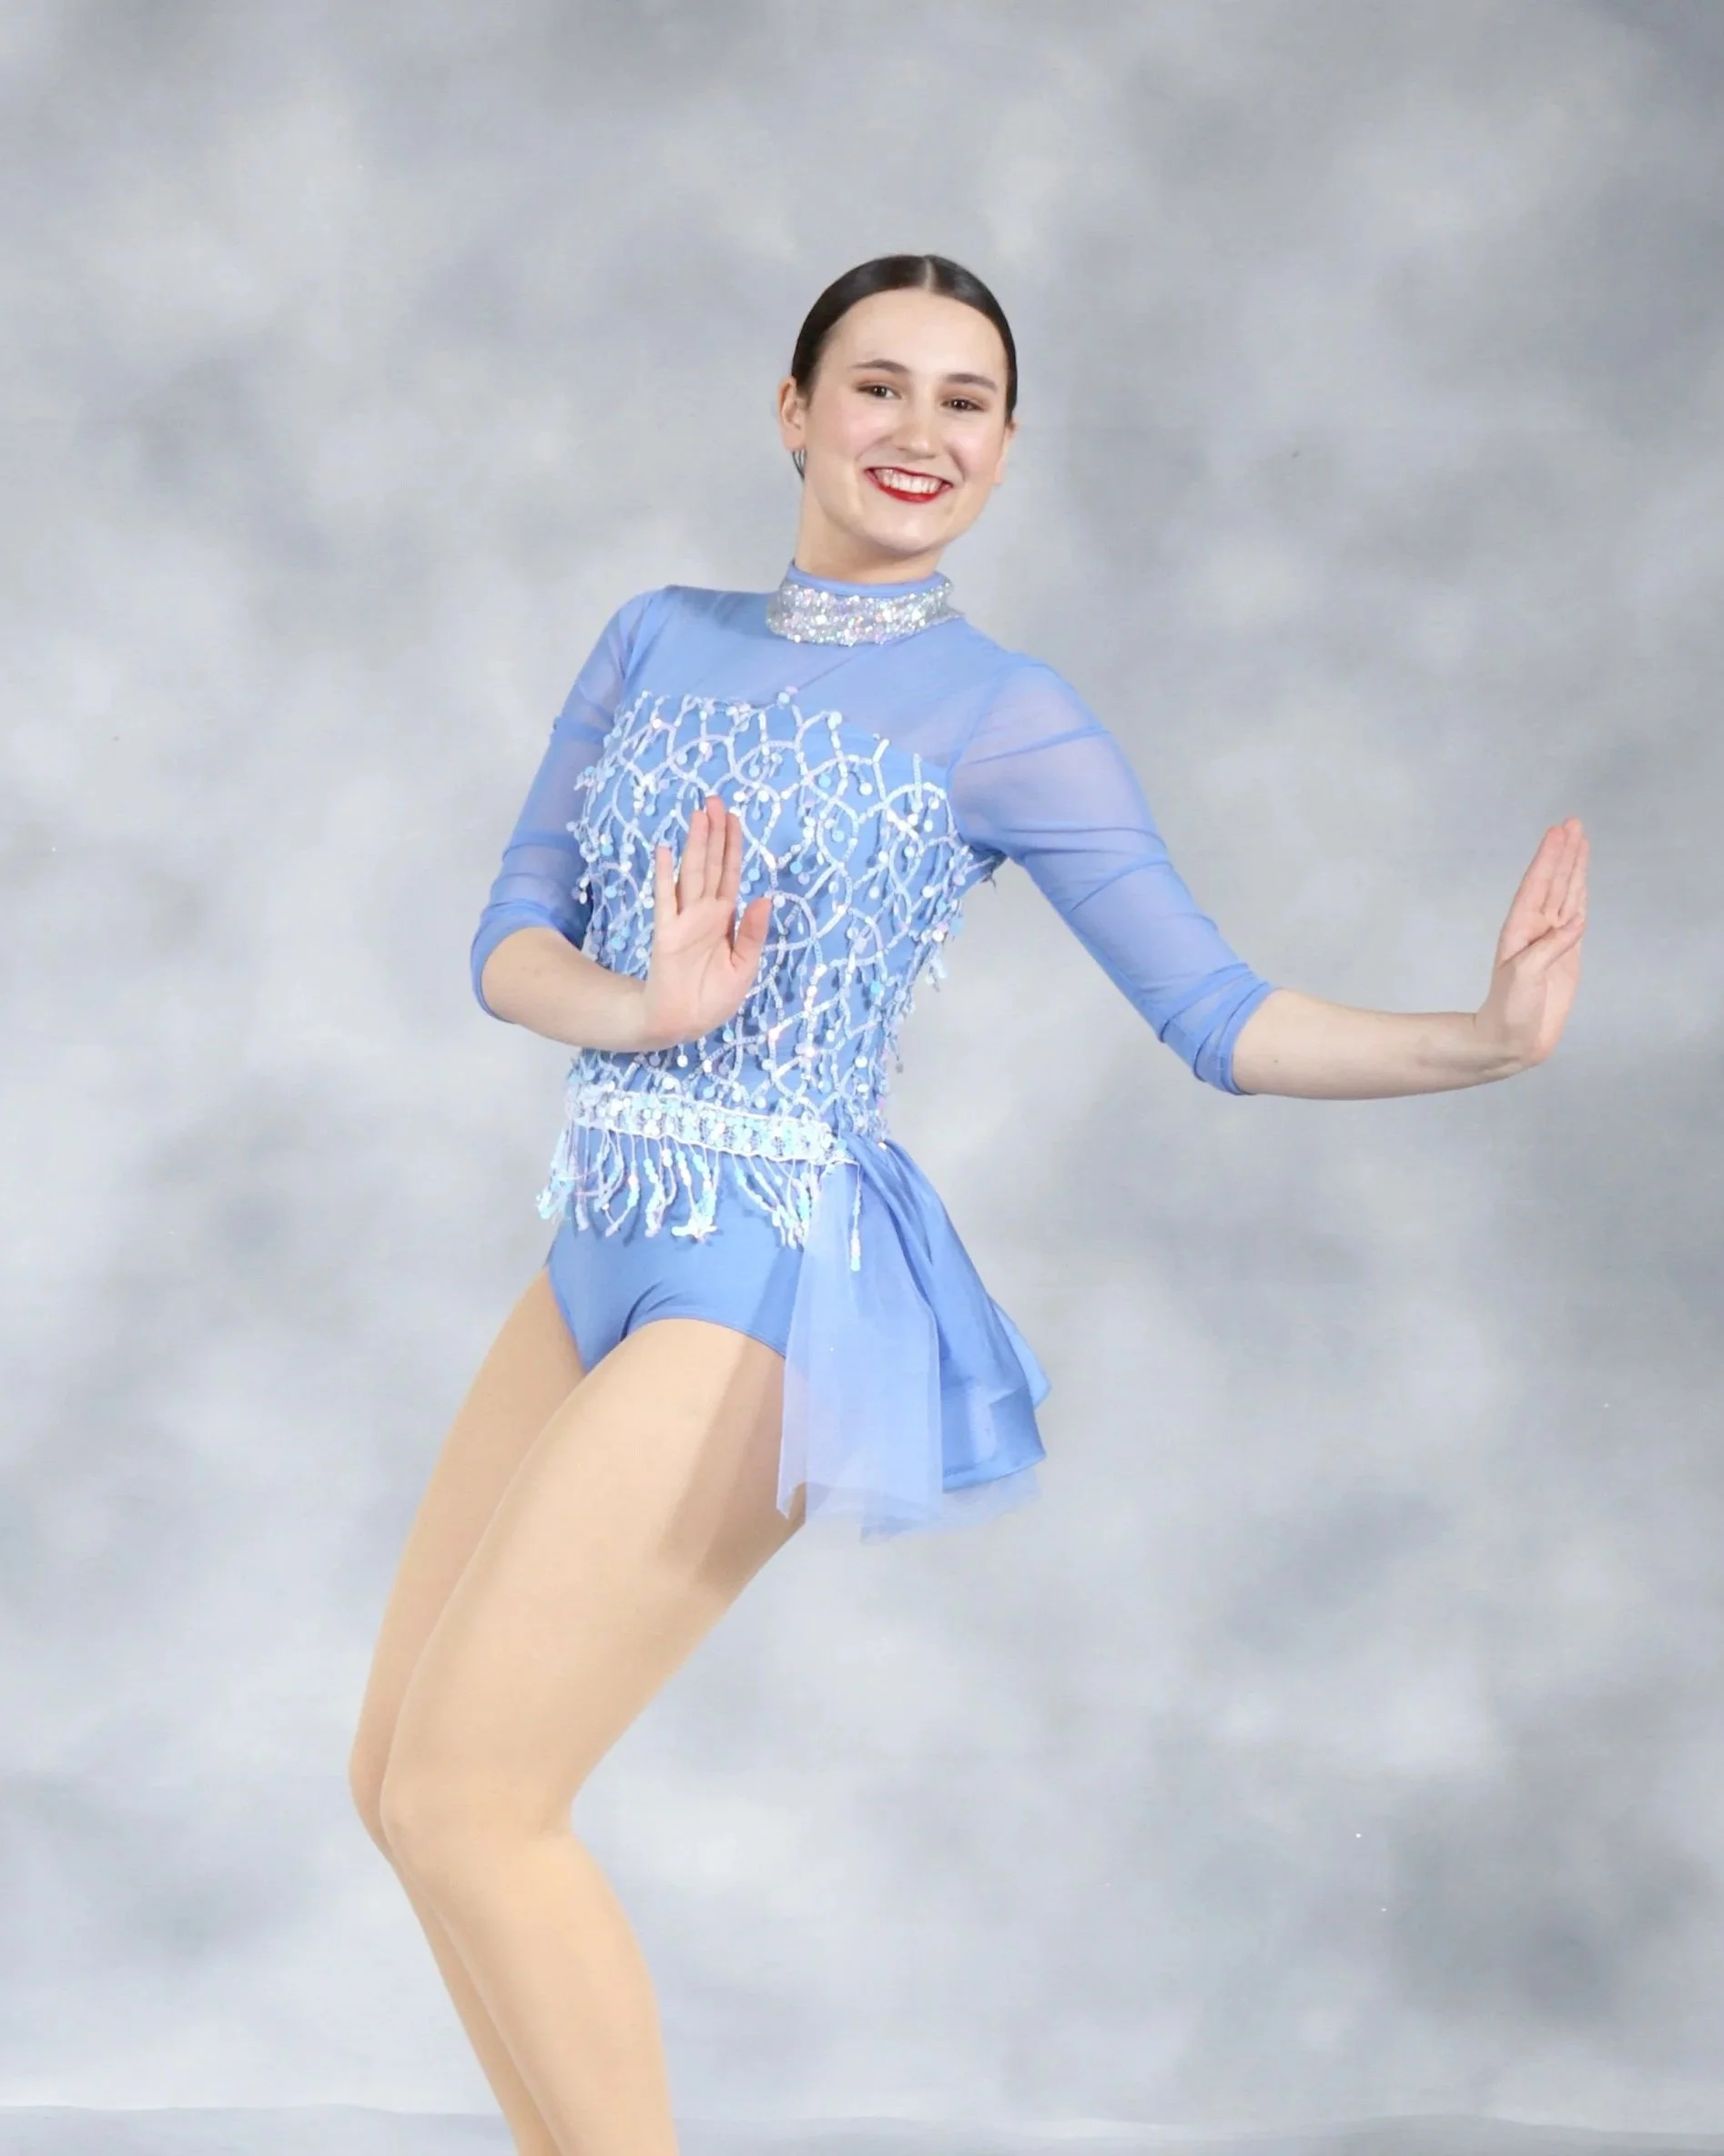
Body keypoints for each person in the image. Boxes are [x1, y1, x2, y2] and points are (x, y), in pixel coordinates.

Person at [347, 253, 1588, 2156]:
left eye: (964, 401)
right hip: (594, 1240)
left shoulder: (1006, 718)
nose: (917, 432)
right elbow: (508, 939)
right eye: (875, 386)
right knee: (396, 1781)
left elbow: (1219, 1015)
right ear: (791, 410)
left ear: (1005, 447)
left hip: (765, 1279)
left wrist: (1479, 1038)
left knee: (465, 1796)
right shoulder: (649, 636)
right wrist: (641, 1005)